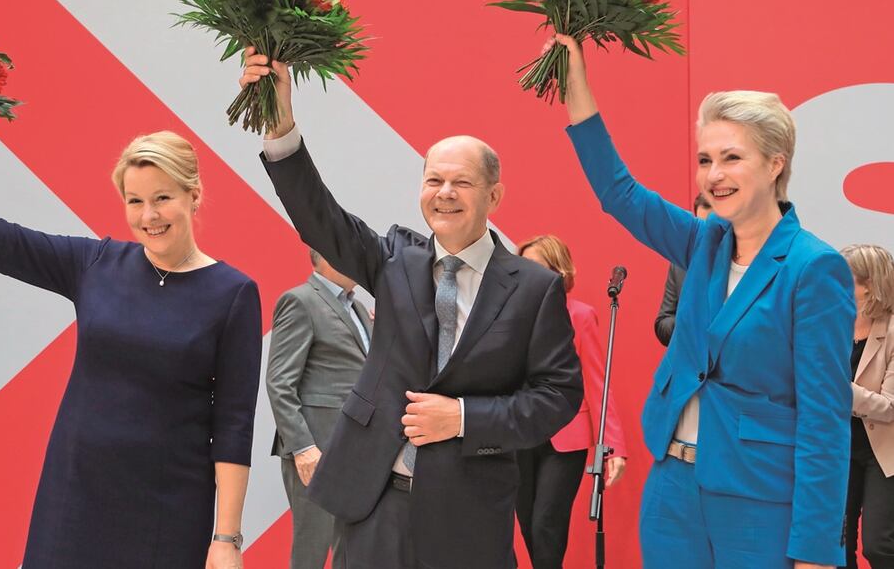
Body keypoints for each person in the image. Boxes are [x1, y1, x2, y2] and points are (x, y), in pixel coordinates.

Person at [0, 89, 262, 569]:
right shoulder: (96, 264)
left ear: (194, 195)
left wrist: (227, 539)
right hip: (73, 501)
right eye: (135, 201)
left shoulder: (234, 294)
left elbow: (233, 426)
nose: (148, 216)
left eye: (163, 198)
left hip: (168, 515)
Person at [240, 47, 583, 569]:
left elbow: (558, 397)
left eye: (461, 182)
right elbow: (318, 216)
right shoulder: (393, 260)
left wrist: (463, 417)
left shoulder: (534, 288)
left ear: (494, 196)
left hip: (468, 514)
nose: (444, 193)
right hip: (374, 501)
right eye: (433, 180)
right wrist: (280, 120)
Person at [554, 34, 855, 569]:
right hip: (672, 488)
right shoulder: (703, 243)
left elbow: (824, 419)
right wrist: (575, 80)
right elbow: (619, 192)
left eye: (732, 158)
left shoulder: (814, 268)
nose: (713, 175)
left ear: (775, 164)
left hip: (759, 499)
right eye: (705, 159)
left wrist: (815, 550)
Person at [514, 234, 629, 569]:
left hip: (565, 439)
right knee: (528, 525)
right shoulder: (510, 316)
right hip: (519, 432)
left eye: (536, 267)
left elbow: (597, 384)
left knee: (546, 525)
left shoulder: (580, 316)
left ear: (559, 272)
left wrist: (613, 447)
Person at [267, 249, 372, 569]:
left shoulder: (358, 307)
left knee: (351, 550)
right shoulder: (300, 301)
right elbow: (279, 382)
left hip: (356, 450)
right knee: (311, 553)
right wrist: (303, 448)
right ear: (327, 255)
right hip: (317, 453)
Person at [840, 244, 894, 569]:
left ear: (870, 285)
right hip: (837, 446)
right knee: (836, 544)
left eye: (843, 276)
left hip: (883, 452)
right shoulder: (832, 323)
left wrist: (838, 389)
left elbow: (889, 407)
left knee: (878, 546)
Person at [655, 193, 712, 346]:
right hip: (691, 357)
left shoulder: (742, 261)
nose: (705, 233)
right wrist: (685, 322)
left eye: (710, 226)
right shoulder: (680, 264)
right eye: (700, 225)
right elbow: (663, 323)